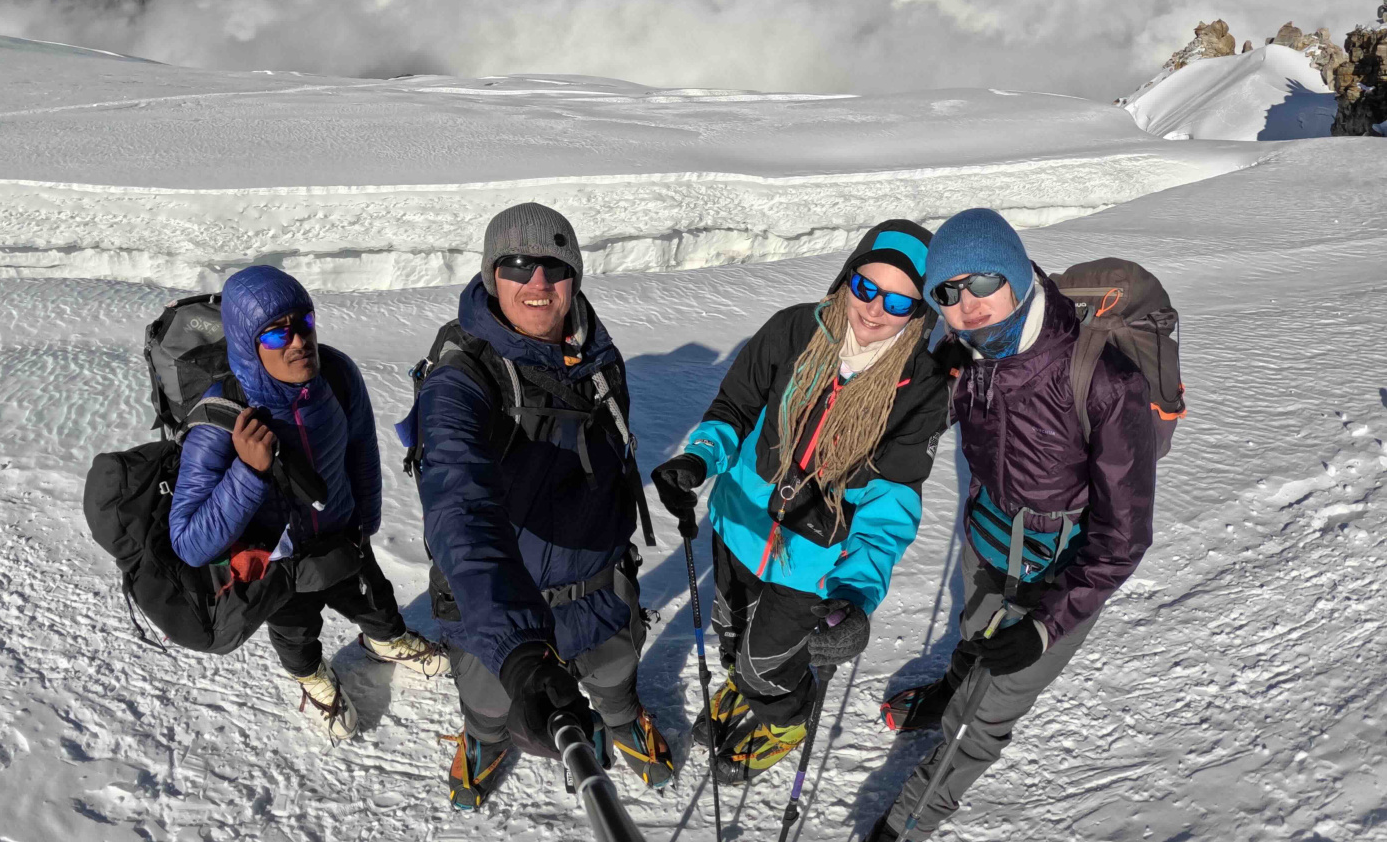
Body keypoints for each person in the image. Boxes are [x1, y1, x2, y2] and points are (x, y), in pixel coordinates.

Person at [867, 208, 1156, 841]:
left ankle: (909, 822)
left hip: (1061, 572)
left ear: (1020, 276)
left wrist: (1047, 629)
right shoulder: (964, 352)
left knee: (988, 716)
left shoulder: (1103, 380)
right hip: (987, 541)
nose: (966, 305)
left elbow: (1123, 537)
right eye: (948, 291)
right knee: (972, 637)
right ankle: (950, 689)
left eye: (982, 283)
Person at [651, 221, 953, 784]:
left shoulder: (922, 386)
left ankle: (784, 721)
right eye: (866, 287)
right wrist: (697, 460)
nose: (874, 309)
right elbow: (735, 410)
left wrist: (857, 592)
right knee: (732, 634)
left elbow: (891, 501)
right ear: (847, 278)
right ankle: (743, 688)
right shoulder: (793, 330)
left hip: (814, 566)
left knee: (770, 664)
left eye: (897, 299)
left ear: (920, 309)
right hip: (738, 525)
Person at [412, 202, 674, 810]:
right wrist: (516, 643)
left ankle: (621, 719)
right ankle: (484, 739)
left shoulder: (597, 355)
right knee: (491, 696)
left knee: (612, 676)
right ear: (489, 276)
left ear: (575, 278)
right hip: (500, 603)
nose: (537, 282)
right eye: (518, 264)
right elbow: (458, 506)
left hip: (599, 585)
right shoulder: (461, 379)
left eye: (555, 267)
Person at [168, 265, 444, 743]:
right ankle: (312, 678)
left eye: (304, 323)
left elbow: (360, 448)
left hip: (342, 531)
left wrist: (368, 520)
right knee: (295, 632)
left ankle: (385, 639)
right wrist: (249, 471)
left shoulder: (335, 374)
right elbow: (189, 543)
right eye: (275, 334)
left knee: (374, 599)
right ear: (247, 345)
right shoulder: (220, 420)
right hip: (279, 564)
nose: (298, 341)